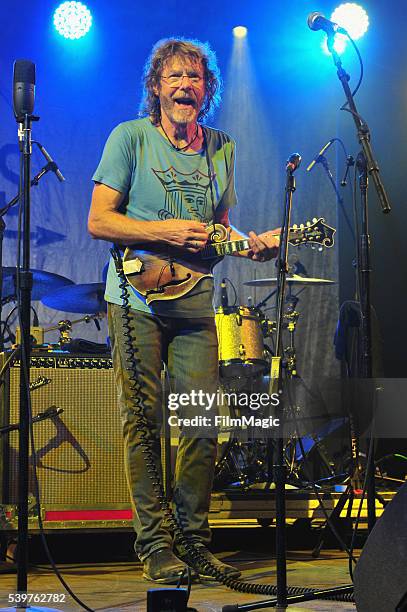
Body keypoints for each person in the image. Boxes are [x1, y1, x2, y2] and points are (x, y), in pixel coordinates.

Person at [88, 37, 279, 584]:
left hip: (195, 299)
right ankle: (155, 545)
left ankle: (194, 542)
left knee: (199, 422)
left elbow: (217, 227)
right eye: (173, 77)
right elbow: (100, 220)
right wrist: (161, 230)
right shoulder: (130, 138)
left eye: (194, 78)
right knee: (144, 422)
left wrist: (250, 242)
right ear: (156, 87)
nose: (184, 86)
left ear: (207, 89)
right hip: (134, 298)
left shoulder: (221, 146)